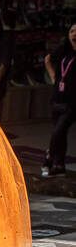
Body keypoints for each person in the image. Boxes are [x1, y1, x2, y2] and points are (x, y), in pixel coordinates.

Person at [43, 21, 76, 177]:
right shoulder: (64, 50)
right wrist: (53, 76)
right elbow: (48, 59)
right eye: (72, 31)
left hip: (72, 102)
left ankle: (49, 156)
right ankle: (59, 164)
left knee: (58, 131)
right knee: (60, 134)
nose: (74, 34)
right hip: (57, 98)